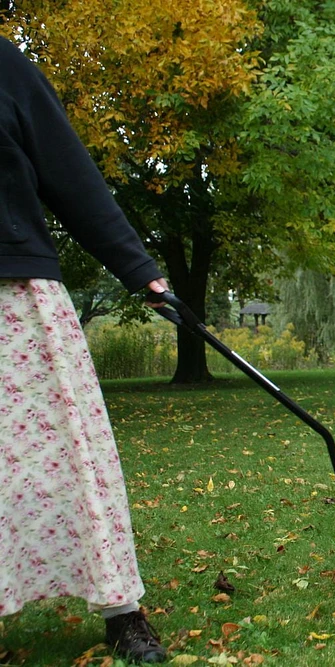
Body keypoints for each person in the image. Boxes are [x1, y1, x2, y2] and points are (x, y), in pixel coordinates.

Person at [1, 37, 168, 663]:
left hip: (15, 298)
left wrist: (137, 268)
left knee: (72, 460)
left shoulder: (5, 66)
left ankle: (121, 610)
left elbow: (71, 174)